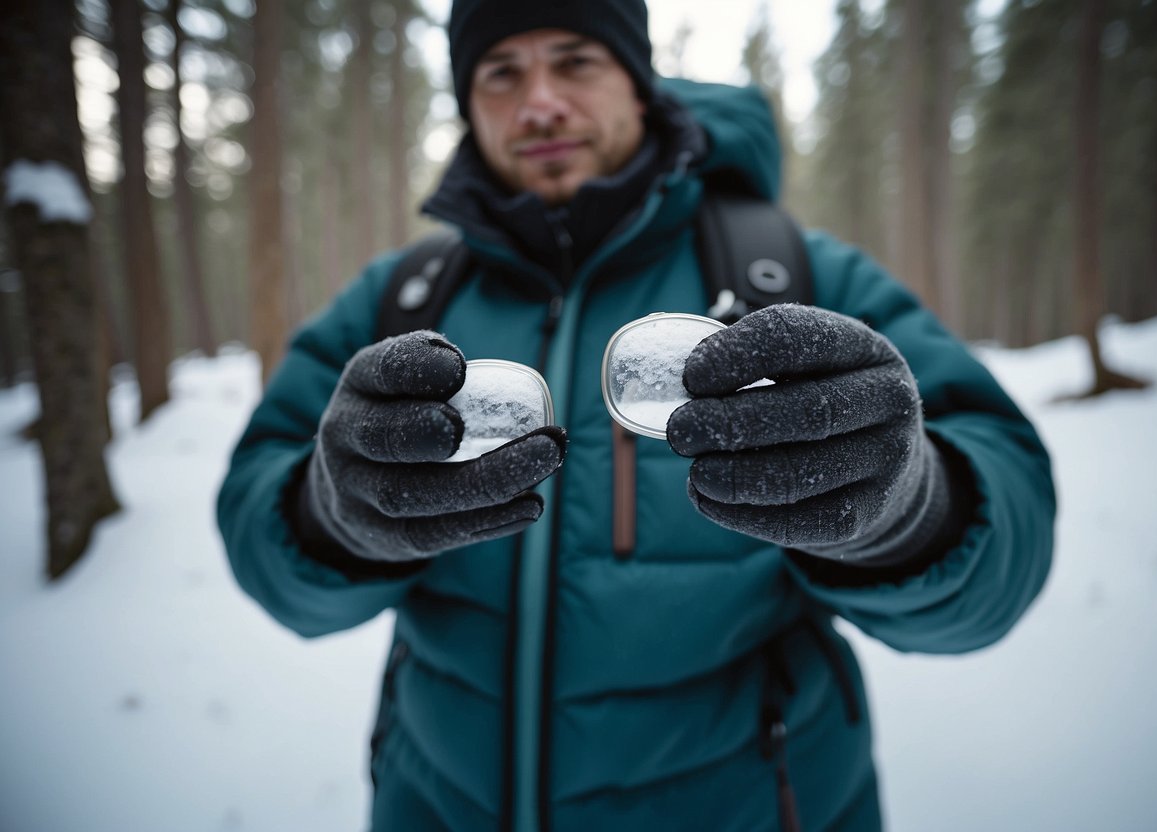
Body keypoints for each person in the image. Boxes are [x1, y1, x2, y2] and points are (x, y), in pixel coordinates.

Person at [216, 1, 1055, 829]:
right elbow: (261, 543)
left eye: (575, 60)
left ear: (639, 83)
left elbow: (1003, 560)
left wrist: (908, 502)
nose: (539, 101)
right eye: (501, 73)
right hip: (435, 803)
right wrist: (335, 512)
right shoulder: (399, 298)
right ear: (469, 106)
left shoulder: (792, 270)